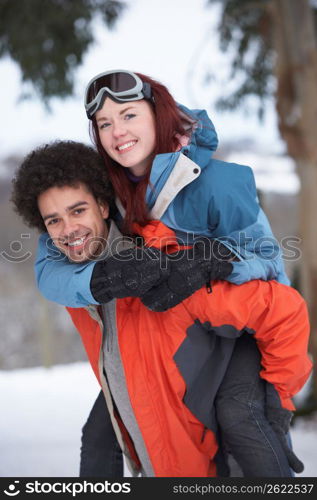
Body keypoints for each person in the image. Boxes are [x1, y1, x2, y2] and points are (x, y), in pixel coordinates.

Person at [12, 140, 312, 477]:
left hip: (214, 443)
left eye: (78, 211)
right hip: (156, 426)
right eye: (54, 221)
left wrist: (279, 401)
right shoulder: (72, 272)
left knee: (241, 421)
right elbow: (49, 272)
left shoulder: (164, 266)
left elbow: (285, 310)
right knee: (97, 438)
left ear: (104, 206)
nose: (68, 230)